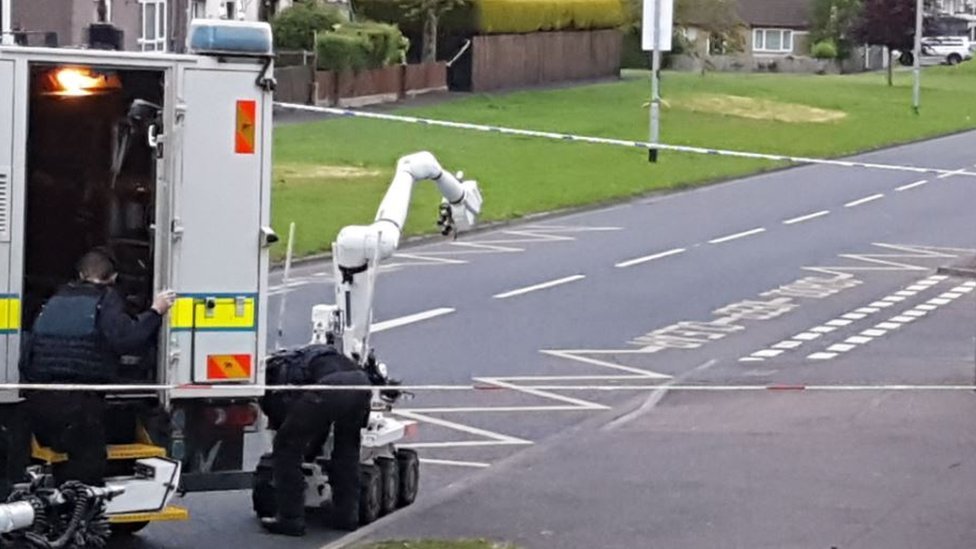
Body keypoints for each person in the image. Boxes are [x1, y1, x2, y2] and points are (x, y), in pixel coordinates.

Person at [20, 248, 175, 486]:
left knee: (71, 459)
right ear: (112, 279)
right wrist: (156, 311)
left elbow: (27, 357)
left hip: (38, 402)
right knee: (89, 466)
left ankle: (61, 510)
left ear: (80, 273)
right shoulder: (106, 300)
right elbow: (126, 339)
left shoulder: (56, 299)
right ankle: (80, 517)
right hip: (77, 405)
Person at [259, 345, 372, 537]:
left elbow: (287, 417)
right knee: (347, 449)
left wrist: (303, 450)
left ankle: (290, 519)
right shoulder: (317, 357)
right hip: (361, 384)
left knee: (285, 446)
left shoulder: (277, 373)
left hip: (331, 387)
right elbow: (317, 422)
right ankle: (347, 517)